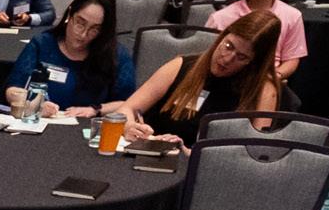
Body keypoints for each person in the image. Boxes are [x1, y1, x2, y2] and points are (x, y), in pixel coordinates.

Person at [108, 10, 282, 147]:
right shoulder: (181, 66)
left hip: (207, 169)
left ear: (254, 62)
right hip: (151, 153)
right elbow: (126, 109)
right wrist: (129, 126)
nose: (227, 58)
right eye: (228, 46)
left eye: (241, 57)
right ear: (222, 37)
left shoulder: (263, 91)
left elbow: (256, 150)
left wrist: (190, 153)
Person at [2, 0, 136, 118]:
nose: (83, 34)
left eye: (94, 29)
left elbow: (129, 104)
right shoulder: (42, 44)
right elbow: (12, 90)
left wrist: (96, 109)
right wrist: (34, 104)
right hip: (39, 122)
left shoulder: (117, 55)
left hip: (88, 127)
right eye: (80, 23)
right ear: (69, 15)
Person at [206, 0, 307, 80]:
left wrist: (275, 77)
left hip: (268, 78)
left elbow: (291, 58)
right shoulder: (221, 17)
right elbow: (206, 57)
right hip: (227, 77)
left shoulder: (293, 15)